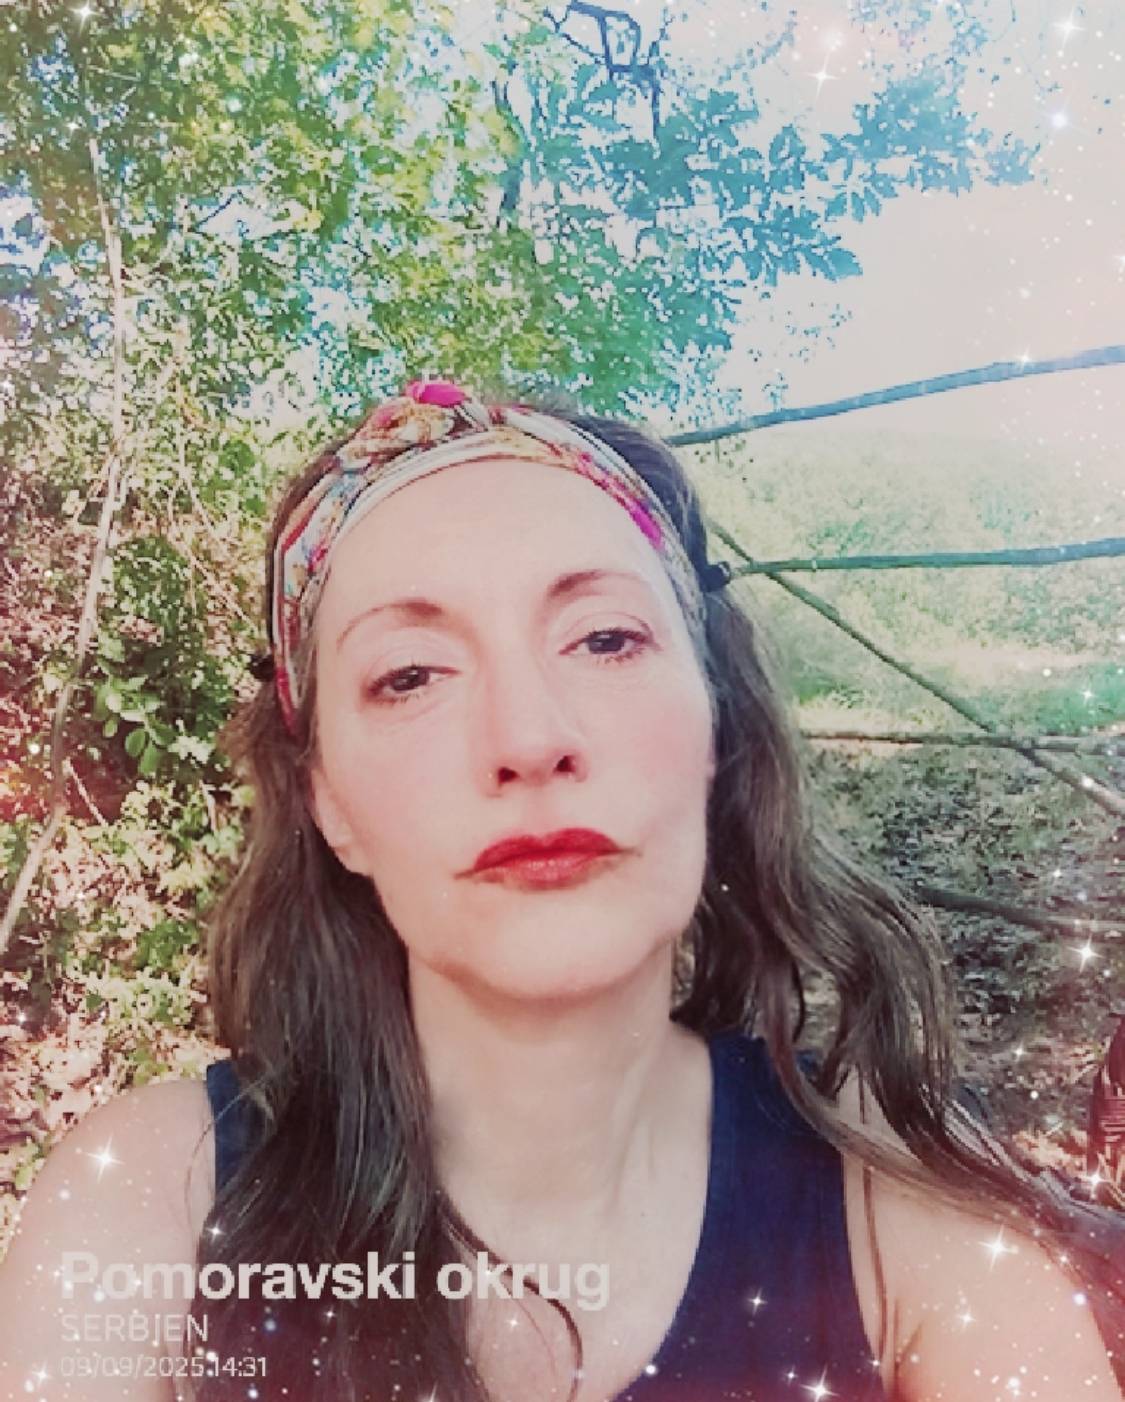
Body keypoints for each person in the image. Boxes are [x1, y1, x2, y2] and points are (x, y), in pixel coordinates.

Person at [1, 379, 1122, 1402]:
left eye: (604, 639)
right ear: (327, 799)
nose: (529, 738)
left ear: (715, 728)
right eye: (410, 674)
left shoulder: (896, 1199)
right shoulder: (146, 1204)